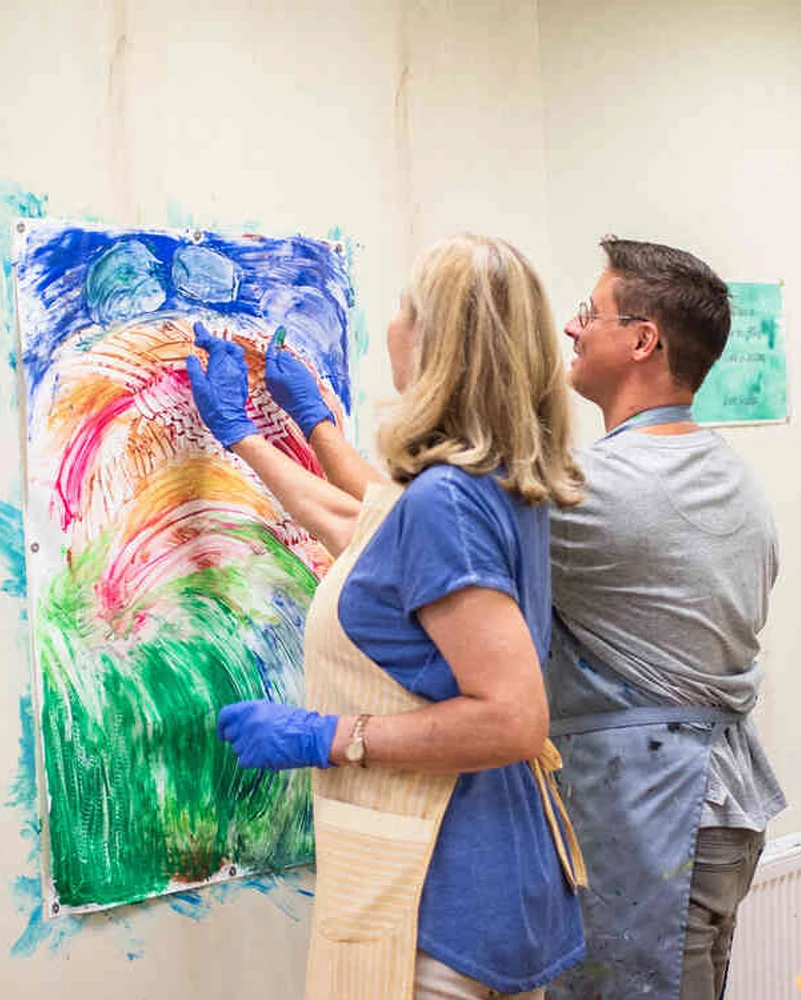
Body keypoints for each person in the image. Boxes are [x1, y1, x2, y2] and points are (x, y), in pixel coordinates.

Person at [190, 233, 588, 1000]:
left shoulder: (448, 501)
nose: (391, 326)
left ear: (436, 342)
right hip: (498, 882)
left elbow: (513, 719)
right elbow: (370, 531)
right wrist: (277, 435)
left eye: (405, 309)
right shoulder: (495, 479)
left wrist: (330, 736)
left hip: (444, 902)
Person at [545, 237, 783, 1000]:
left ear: (642, 340)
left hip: (654, 818)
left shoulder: (601, 488)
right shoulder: (731, 475)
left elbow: (405, 536)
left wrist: (280, 435)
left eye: (590, 313)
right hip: (715, 808)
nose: (572, 328)